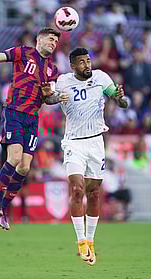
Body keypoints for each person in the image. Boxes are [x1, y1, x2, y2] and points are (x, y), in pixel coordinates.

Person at [0, 28, 68, 230]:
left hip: (32, 119)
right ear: (39, 39)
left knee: (25, 167)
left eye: (56, 41)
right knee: (14, 158)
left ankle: (2, 209)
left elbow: (48, 98)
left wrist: (55, 97)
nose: (53, 43)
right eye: (50, 39)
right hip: (14, 112)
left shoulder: (52, 69)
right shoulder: (23, 52)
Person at [42, 48, 128, 265]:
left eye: (88, 61)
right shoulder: (63, 81)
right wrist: (51, 97)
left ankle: (90, 241)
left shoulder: (101, 77)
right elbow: (49, 99)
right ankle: (80, 242)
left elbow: (120, 101)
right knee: (78, 190)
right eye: (81, 62)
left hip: (96, 142)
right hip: (73, 143)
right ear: (73, 66)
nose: (86, 65)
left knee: (95, 192)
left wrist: (120, 98)